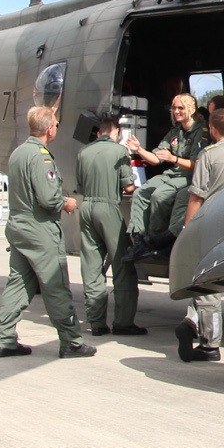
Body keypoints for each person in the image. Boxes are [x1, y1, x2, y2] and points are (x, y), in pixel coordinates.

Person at [0, 106, 93, 359]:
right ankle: (71, 341)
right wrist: (66, 202)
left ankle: (4, 338)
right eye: (56, 124)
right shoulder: (40, 157)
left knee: (18, 282)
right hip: (39, 229)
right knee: (55, 285)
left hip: (18, 226)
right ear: (49, 129)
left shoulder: (18, 153)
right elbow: (49, 199)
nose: (57, 128)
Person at [174, 108, 224, 363]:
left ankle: (210, 344)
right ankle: (191, 322)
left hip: (209, 224)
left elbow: (196, 196)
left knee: (207, 287)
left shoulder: (208, 156)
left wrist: (187, 230)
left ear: (213, 129)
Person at [75, 113, 142, 337]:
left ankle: (96, 323)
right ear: (116, 133)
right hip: (108, 207)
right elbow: (129, 188)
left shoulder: (83, 152)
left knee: (92, 267)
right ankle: (123, 322)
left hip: (86, 209)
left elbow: (81, 185)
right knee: (122, 266)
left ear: (98, 133)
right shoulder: (119, 151)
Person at [125, 92, 203, 256]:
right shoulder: (175, 132)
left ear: (191, 109)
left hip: (188, 176)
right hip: (171, 174)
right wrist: (138, 149)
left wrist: (174, 159)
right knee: (140, 193)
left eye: (180, 108)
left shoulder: (200, 132)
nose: (176, 111)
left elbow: (197, 165)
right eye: (174, 108)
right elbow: (155, 159)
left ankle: (156, 240)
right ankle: (139, 240)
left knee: (160, 196)